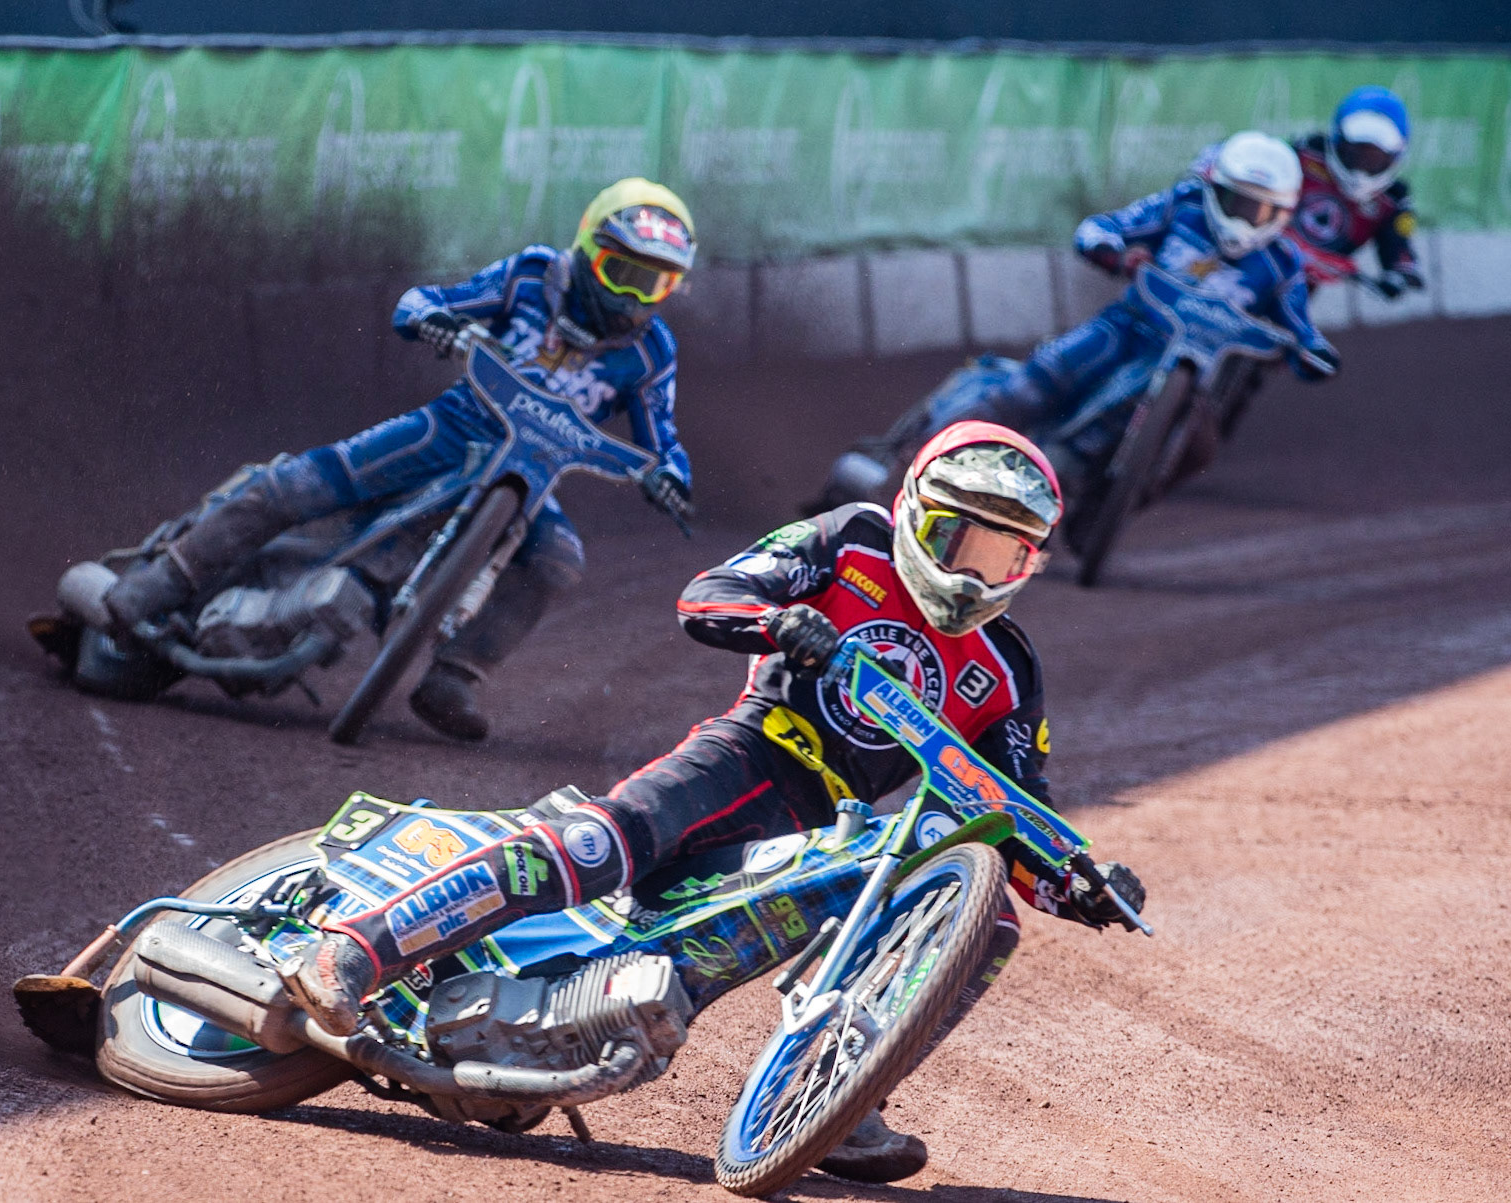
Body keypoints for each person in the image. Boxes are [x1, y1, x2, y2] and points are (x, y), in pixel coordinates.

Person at [281, 421, 1146, 1182]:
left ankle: (840, 1093)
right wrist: (780, 624)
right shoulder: (852, 540)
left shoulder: (1006, 668)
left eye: (1004, 555)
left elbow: (1012, 804)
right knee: (602, 844)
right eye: (958, 539)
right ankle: (357, 951)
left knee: (984, 918)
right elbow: (711, 592)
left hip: (833, 830)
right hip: (752, 752)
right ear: (917, 509)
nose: (973, 570)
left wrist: (1081, 880)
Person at [100, 178, 697, 742]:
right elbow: (425, 299)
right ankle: (160, 582)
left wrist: (671, 474)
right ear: (588, 248)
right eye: (622, 273)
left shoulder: (651, 352)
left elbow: (662, 433)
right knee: (300, 485)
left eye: (656, 286)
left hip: (536, 468)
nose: (632, 299)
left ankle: (454, 678)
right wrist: (433, 320)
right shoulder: (532, 275)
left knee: (559, 559)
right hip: (452, 427)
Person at [809, 131, 1337, 519]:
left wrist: (1310, 352)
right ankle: (899, 467)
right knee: (1025, 391)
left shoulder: (1284, 265)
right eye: (1238, 203)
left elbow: (1302, 328)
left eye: (1263, 210)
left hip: (1192, 375)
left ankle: (1095, 513)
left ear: (1285, 214)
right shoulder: (1184, 207)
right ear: (1215, 189)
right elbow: (1104, 228)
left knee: (1180, 452)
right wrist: (1113, 251)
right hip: (1126, 328)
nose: (1246, 220)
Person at [1198, 86, 1421, 296]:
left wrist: (1400, 275)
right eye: (1356, 151)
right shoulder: (1305, 154)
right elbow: (1247, 171)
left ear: (1396, 157)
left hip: (1292, 293)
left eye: (1374, 157)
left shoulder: (1393, 200)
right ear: (1337, 139)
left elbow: (1400, 252)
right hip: (1241, 257)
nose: (1362, 165)